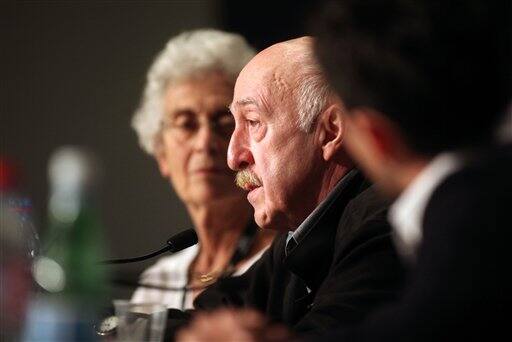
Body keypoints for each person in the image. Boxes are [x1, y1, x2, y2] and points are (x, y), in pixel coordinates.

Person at [176, 36, 405, 340]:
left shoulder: (382, 226)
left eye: (253, 122)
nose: (233, 156)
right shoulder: (298, 236)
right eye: (235, 124)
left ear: (331, 131)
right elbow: (211, 313)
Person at [130, 29, 275, 310]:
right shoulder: (158, 282)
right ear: (161, 152)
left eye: (224, 121)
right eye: (186, 124)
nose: (205, 143)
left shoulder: (283, 263)